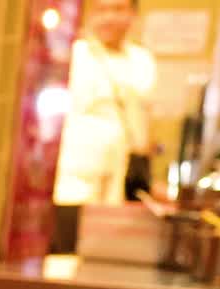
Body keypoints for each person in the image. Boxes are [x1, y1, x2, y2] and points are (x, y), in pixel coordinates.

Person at [54, 0, 156, 206]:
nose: (109, 17)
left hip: (119, 174)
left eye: (118, 9)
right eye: (102, 10)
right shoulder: (74, 54)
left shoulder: (142, 61)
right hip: (73, 176)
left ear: (132, 15)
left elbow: (143, 121)